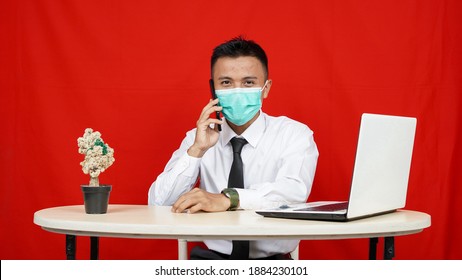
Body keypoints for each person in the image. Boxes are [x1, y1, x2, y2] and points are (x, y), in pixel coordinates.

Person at [148, 36, 318, 260]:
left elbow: (294, 193)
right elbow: (158, 203)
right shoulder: (197, 137)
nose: (237, 91)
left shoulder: (294, 134)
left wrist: (229, 199)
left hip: (273, 265)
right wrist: (197, 150)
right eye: (226, 83)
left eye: (248, 82)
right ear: (213, 89)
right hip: (212, 262)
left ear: (265, 89)